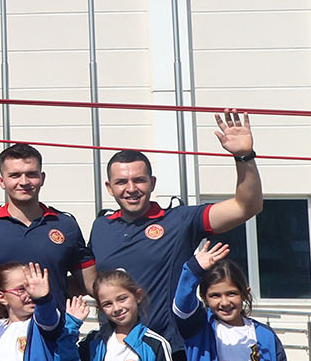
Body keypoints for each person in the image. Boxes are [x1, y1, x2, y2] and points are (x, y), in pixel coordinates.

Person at [87, 113, 261, 343]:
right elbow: (87, 283)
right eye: (121, 182)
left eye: (139, 180)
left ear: (152, 183)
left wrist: (244, 156)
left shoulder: (180, 220)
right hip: (116, 351)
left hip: (171, 351)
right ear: (109, 188)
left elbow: (245, 207)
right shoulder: (101, 227)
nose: (131, 188)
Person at [0, 143, 94, 305]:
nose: (24, 181)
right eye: (14, 175)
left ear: (42, 178)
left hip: (52, 326)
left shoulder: (65, 225)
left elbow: (89, 282)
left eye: (31, 174)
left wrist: (57, 288)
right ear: (2, 181)